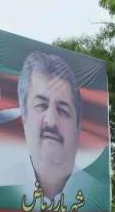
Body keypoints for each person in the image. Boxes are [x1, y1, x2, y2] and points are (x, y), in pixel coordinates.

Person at [18, 51, 83, 202]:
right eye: (41, 105)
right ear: (24, 116)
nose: (51, 121)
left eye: (63, 110)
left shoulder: (97, 195)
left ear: (78, 126)